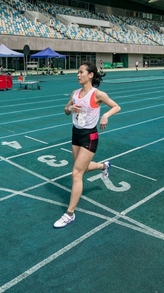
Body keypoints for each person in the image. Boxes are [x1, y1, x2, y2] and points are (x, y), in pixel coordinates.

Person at [54, 61, 121, 228]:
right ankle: (103, 166)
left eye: (81, 72)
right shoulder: (75, 93)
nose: (78, 74)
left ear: (90, 75)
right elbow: (65, 110)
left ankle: (70, 213)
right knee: (80, 167)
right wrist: (70, 109)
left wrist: (105, 116)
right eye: (77, 72)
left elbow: (116, 106)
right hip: (75, 133)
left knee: (76, 173)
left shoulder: (97, 94)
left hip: (89, 136)